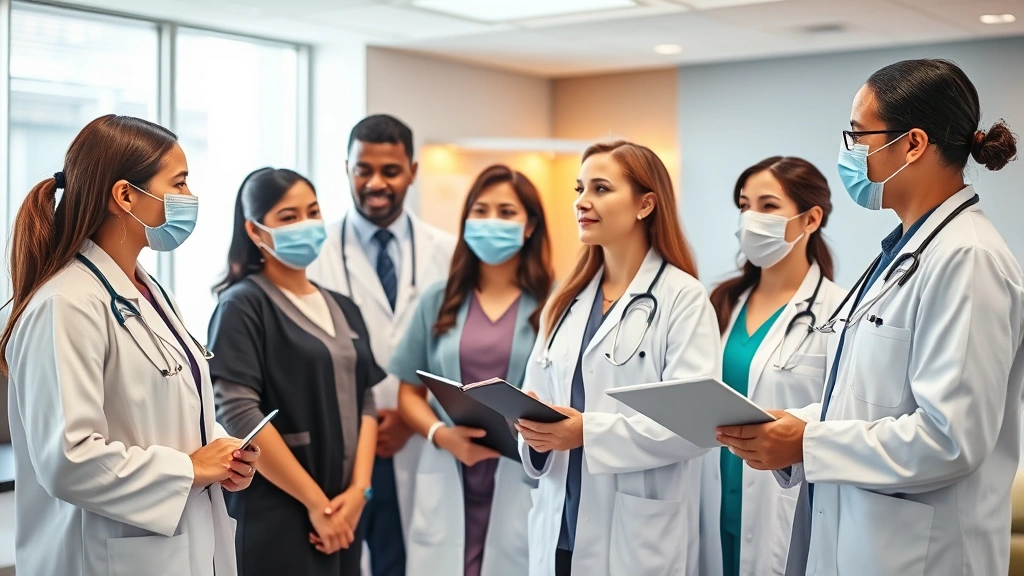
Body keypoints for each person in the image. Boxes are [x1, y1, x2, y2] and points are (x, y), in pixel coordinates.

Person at [717, 58, 1023, 576]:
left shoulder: (968, 257)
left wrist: (808, 442)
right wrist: (800, 423)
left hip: (922, 555)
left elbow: (951, 440)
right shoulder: (906, 252)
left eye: (859, 135)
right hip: (865, 540)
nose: (850, 151)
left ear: (913, 144)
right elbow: (872, 402)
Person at [1, 114, 258, 576]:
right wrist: (192, 469)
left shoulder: (147, 291)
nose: (189, 197)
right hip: (102, 557)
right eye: (178, 183)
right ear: (125, 196)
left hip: (177, 546)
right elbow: (69, 460)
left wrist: (222, 452)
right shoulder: (66, 303)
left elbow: (162, 409)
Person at [516, 140, 721, 576]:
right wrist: (534, 432)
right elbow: (536, 393)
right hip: (559, 528)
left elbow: (694, 425)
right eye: (579, 189)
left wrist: (586, 432)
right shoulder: (565, 300)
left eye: (601, 188)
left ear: (645, 204)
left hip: (635, 535)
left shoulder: (683, 299)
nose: (582, 202)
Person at [208, 168, 386, 575]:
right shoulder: (242, 305)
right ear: (255, 231)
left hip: (344, 512)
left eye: (313, 212)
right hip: (279, 512)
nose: (305, 224)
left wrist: (359, 491)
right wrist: (317, 504)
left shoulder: (344, 307)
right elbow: (238, 412)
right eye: (288, 217)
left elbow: (366, 400)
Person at [307, 114, 456, 576]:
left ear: (412, 171)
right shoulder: (314, 251)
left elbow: (463, 351)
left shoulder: (449, 253)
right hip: (343, 445)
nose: (375, 183)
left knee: (415, 560)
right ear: (346, 169)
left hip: (423, 437)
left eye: (390, 171)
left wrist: (414, 417)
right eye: (363, 170)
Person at [391, 165, 554, 576]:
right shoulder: (438, 300)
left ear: (530, 226)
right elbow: (408, 394)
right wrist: (441, 434)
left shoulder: (554, 304)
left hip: (520, 472)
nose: (491, 221)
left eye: (506, 212)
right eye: (480, 211)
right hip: (449, 468)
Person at [698, 157, 846, 576]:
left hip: (783, 503)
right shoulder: (721, 303)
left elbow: (843, 414)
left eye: (767, 206)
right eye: (744, 206)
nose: (751, 219)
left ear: (811, 219)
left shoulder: (839, 312)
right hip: (714, 496)